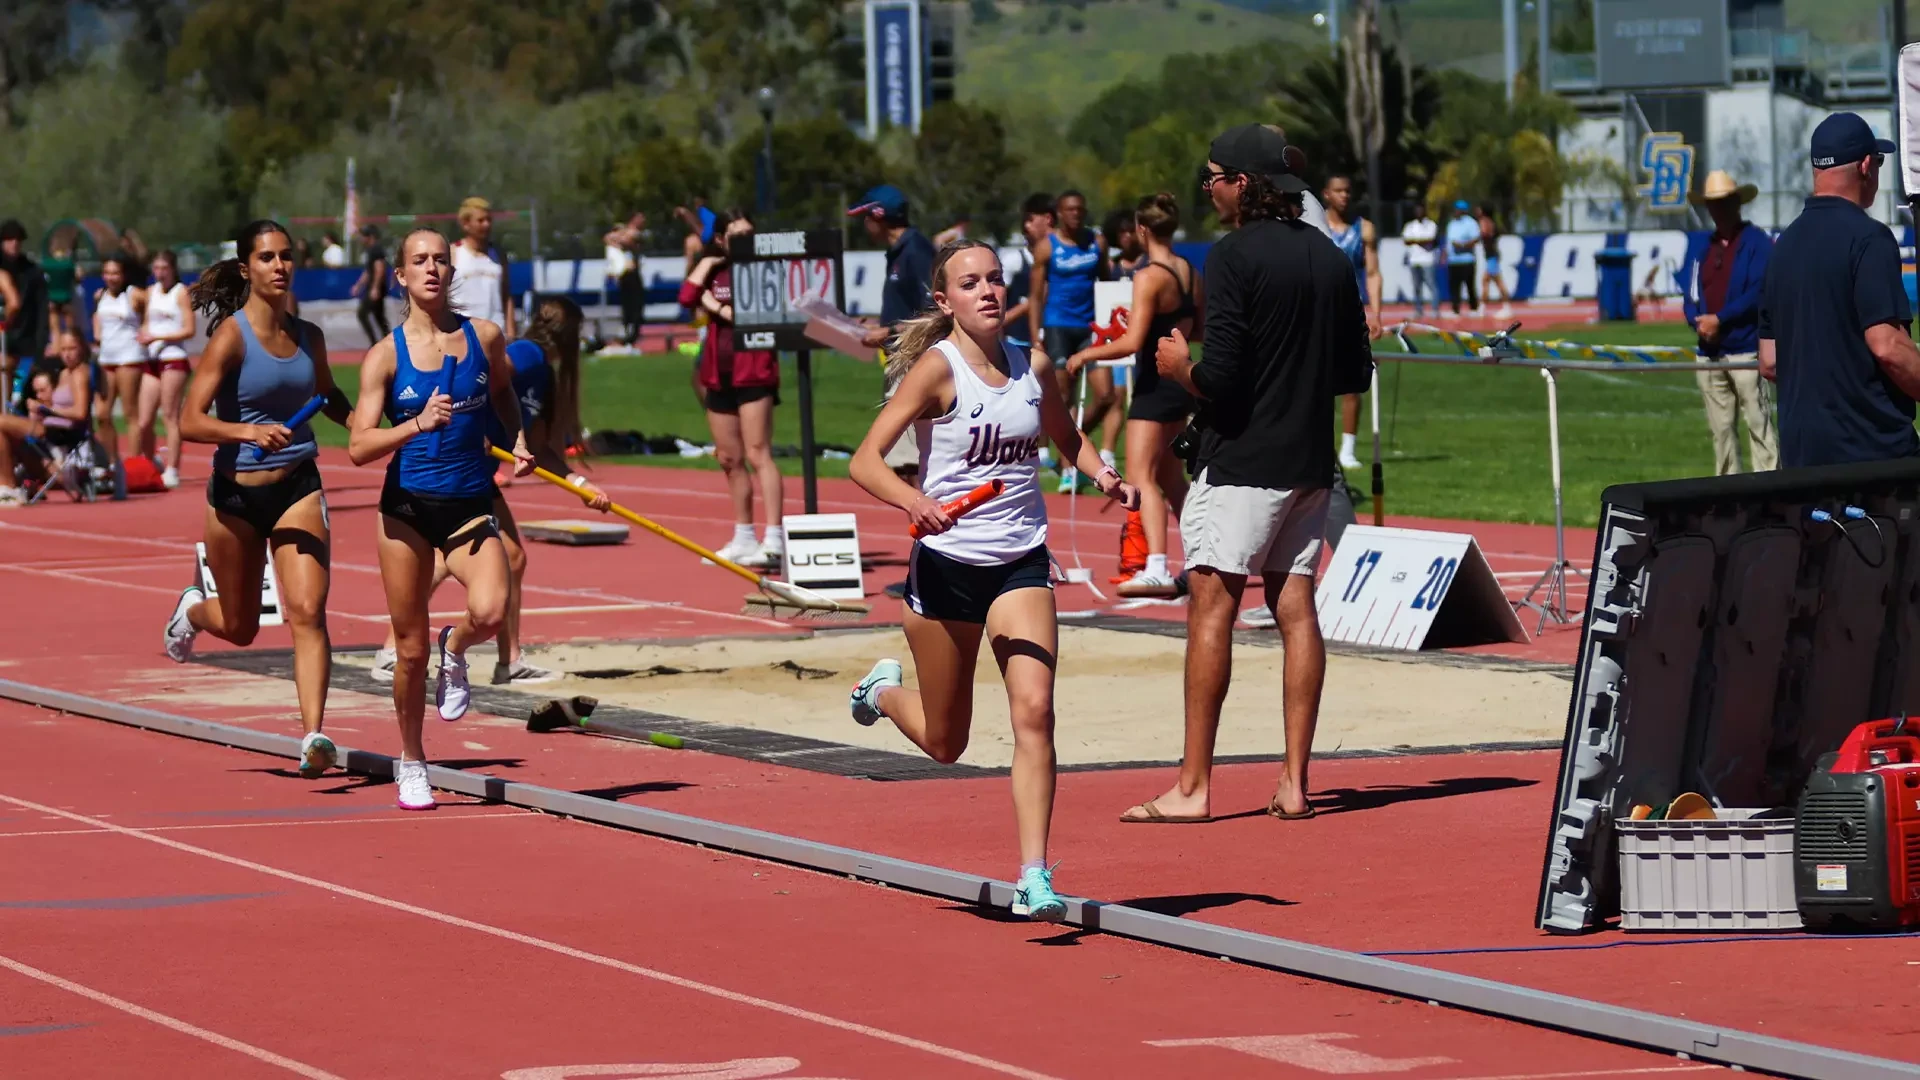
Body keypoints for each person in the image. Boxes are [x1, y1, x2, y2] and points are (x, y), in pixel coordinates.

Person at [846, 239, 1139, 921]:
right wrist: (913, 501)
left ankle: (1034, 874)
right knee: (948, 743)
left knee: (1035, 710)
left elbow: (1067, 436)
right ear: (946, 301)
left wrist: (1102, 473)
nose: (988, 292)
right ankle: (884, 691)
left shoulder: (1033, 365)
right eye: (970, 283)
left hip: (1020, 563)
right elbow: (865, 461)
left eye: (996, 280)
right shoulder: (936, 371)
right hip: (947, 569)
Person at [1122, 123, 1369, 824]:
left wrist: (1179, 371)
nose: (1209, 191)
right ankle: (1294, 782)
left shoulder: (1232, 256)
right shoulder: (1329, 258)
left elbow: (1222, 377)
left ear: (1242, 182)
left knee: (1212, 605)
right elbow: (1355, 371)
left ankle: (1194, 787)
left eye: (1213, 177)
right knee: (1296, 609)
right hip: (1309, 460)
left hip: (1244, 459)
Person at [347, 227, 534, 811]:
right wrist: (415, 424)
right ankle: (412, 759)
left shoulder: (484, 337)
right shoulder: (385, 355)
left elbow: (504, 394)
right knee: (407, 651)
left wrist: (519, 437)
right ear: (400, 277)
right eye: (418, 261)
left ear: (452, 272)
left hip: (470, 500)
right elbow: (358, 446)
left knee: (491, 611)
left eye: (440, 261)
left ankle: (455, 644)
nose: (431, 269)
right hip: (406, 509)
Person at [164, 220, 356, 781]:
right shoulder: (231, 337)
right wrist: (248, 432)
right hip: (236, 498)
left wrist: (369, 427)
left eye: (287, 256)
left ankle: (313, 735)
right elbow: (189, 420)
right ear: (247, 269)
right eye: (268, 257)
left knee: (308, 613)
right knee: (241, 626)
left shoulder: (310, 337)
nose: (280, 266)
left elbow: (327, 394)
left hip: (298, 485)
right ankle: (193, 610)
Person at [369, 296, 611, 685]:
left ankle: (503, 660)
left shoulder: (544, 377)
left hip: (476, 477)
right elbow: (486, 378)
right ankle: (407, 650)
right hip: (460, 472)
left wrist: (579, 484)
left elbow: (539, 448)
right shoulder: (528, 356)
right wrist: (473, 428)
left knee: (500, 559)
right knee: (483, 559)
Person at [1760, 112, 1920, 468]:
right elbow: (1888, 346)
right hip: (1873, 457)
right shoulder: (1870, 238)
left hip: (1802, 458)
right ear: (1866, 165)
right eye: (1878, 161)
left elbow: (1769, 361)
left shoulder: (1782, 246)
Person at [1067, 193, 1200, 598]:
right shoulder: (1190, 270)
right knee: (1171, 477)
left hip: (1154, 384)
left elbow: (1133, 341)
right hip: (1180, 377)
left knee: (1143, 476)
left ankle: (1157, 565)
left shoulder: (1148, 275)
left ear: (1142, 230)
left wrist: (1086, 354)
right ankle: (1200, 558)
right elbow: (1198, 327)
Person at [680, 210, 785, 570]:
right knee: (728, 458)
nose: (746, 242)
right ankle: (743, 536)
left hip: (754, 369)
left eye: (750, 235)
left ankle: (774, 538)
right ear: (722, 239)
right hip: (718, 371)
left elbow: (751, 314)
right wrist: (708, 261)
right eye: (737, 236)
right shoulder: (715, 268)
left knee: (758, 453)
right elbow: (686, 297)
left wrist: (713, 307)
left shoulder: (763, 268)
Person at [1684, 170, 1777, 476]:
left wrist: (1720, 320)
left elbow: (1759, 291)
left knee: (1759, 426)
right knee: (1721, 432)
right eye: (1713, 203)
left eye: (1724, 201)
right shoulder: (1701, 247)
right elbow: (1691, 293)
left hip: (1745, 350)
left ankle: (1771, 490)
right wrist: (1698, 322)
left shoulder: (1757, 243)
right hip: (1709, 354)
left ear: (1737, 203)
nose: (1718, 208)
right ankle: (1728, 493)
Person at [1030, 190, 1116, 486]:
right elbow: (1035, 296)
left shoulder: (1097, 243)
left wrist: (1114, 325)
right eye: (1070, 210)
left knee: (1106, 396)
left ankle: (1072, 440)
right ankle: (1070, 467)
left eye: (1080, 209)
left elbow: (1107, 284)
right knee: (1063, 396)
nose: (1076, 214)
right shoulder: (1047, 247)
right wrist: (1036, 336)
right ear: (1059, 214)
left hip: (1091, 328)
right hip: (1058, 328)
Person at [852, 185, 937, 481]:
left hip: (915, 363)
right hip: (903, 361)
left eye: (865, 216)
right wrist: (877, 324)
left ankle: (930, 526)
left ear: (879, 216)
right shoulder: (900, 251)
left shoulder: (916, 251)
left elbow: (935, 312)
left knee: (910, 466)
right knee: (903, 464)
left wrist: (886, 331)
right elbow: (908, 311)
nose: (863, 224)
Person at [1322, 175, 1383, 472]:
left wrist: (1377, 313)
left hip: (1351, 313)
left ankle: (1348, 448)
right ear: (1326, 194)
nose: (1345, 195)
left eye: (1348, 190)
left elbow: (1372, 273)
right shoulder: (1314, 227)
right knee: (1316, 382)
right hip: (1319, 312)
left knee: (1352, 384)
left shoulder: (1365, 229)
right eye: (1338, 190)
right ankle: (1320, 444)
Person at [0, 334, 94, 505]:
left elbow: (80, 413)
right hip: (49, 430)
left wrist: (47, 410)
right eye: (64, 349)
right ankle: (7, 486)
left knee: (1, 421)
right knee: (5, 434)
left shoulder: (80, 373)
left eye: (72, 349)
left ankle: (9, 486)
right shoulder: (64, 372)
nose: (67, 354)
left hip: (62, 433)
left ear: (82, 348)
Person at [137, 250, 196, 489]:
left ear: (172, 269)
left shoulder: (180, 293)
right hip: (152, 359)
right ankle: (150, 463)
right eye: (156, 268)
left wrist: (159, 336)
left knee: (170, 415)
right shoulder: (150, 293)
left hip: (174, 358)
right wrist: (143, 335)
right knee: (144, 420)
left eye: (164, 268)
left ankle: (172, 468)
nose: (160, 273)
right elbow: (146, 322)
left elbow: (189, 329)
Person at [92, 253, 147, 492]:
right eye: (107, 273)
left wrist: (146, 331)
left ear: (123, 274)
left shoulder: (134, 294)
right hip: (107, 358)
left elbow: (151, 312)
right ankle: (112, 462)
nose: (111, 277)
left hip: (129, 357)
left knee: (129, 413)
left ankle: (132, 466)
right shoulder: (100, 295)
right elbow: (98, 320)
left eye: (115, 273)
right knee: (102, 414)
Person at [451, 196, 514, 338]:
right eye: (480, 220)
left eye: (489, 220)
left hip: (497, 332)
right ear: (465, 224)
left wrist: (511, 333)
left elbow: (506, 296)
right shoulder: (454, 252)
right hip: (464, 333)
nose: (486, 225)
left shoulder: (498, 254)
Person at [0, 222, 50, 388]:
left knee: (20, 390)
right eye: (9, 239)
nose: (14, 243)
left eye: (17, 239)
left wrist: (41, 342)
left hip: (25, 339)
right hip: (4, 339)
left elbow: (41, 308)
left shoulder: (31, 271)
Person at [604, 212, 647, 346]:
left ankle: (632, 331)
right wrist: (620, 237)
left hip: (633, 272)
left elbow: (628, 240)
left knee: (636, 304)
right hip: (626, 274)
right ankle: (628, 331)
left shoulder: (635, 234)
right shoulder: (627, 232)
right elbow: (609, 238)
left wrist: (618, 239)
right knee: (629, 304)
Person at [351, 224, 390, 346]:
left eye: (363, 236)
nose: (361, 239)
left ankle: (375, 343)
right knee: (379, 317)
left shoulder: (376, 249)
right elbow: (368, 271)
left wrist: (375, 287)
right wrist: (358, 285)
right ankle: (390, 342)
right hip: (373, 287)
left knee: (362, 314)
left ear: (370, 236)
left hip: (376, 287)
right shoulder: (370, 250)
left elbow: (380, 269)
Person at [1443, 199, 1480, 317]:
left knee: (1470, 285)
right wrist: (1445, 254)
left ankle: (1474, 308)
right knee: (1454, 286)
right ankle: (1455, 309)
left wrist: (1463, 245)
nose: (1456, 211)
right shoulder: (1451, 224)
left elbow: (1475, 239)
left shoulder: (1471, 223)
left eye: (1458, 209)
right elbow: (1449, 241)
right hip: (1453, 260)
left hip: (1467, 259)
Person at [1400, 206, 1438, 320]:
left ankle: (1435, 309)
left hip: (1427, 260)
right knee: (1417, 287)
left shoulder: (1431, 225)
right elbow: (1406, 240)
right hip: (1414, 260)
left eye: (1421, 210)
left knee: (1431, 285)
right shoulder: (1410, 225)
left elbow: (1430, 240)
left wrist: (1415, 240)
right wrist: (1421, 241)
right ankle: (1418, 310)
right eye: (1417, 211)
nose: (1419, 213)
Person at [1478, 205, 1512, 319]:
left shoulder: (1485, 222)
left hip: (1492, 256)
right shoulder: (1491, 222)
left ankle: (1505, 308)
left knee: (1496, 282)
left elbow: (1485, 234)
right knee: (1487, 281)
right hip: (1491, 256)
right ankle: (1483, 308)